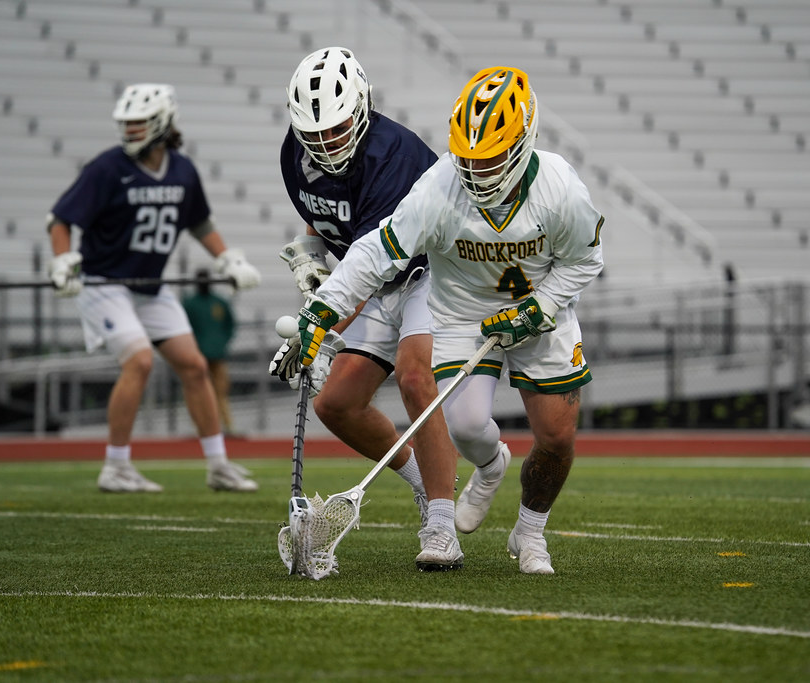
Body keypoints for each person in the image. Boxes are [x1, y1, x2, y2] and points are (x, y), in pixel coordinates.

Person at [286, 66, 604, 574]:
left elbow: (586, 260)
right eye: (470, 157)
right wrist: (323, 310)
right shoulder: (440, 186)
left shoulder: (560, 187)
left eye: (493, 157)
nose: (477, 171)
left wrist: (538, 311)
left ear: (524, 141)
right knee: (469, 426)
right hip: (462, 315)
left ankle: (530, 533)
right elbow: (377, 251)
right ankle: (490, 465)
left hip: (543, 308)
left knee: (556, 434)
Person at [268, 47, 464, 571]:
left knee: (415, 378)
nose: (327, 143)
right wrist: (311, 254)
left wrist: (320, 333)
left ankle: (443, 525)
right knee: (336, 404)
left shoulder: (391, 154)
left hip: (431, 270)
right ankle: (427, 481)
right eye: (316, 135)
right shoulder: (295, 153)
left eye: (337, 129)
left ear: (363, 106)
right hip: (376, 280)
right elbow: (325, 219)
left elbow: (373, 260)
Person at [47, 83, 262, 493]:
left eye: (138, 124)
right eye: (125, 125)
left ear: (161, 122)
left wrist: (228, 259)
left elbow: (198, 222)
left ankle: (218, 464)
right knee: (140, 361)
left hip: (150, 286)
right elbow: (60, 219)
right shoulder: (107, 168)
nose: (129, 131)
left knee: (195, 367)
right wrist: (62, 260)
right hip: (105, 283)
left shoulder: (182, 169)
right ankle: (116, 466)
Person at [183, 269, 237, 434]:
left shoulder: (219, 303)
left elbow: (230, 325)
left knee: (221, 393)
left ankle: (227, 426)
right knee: (197, 392)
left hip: (218, 357)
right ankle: (201, 428)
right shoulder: (190, 304)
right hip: (196, 358)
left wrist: (222, 343)